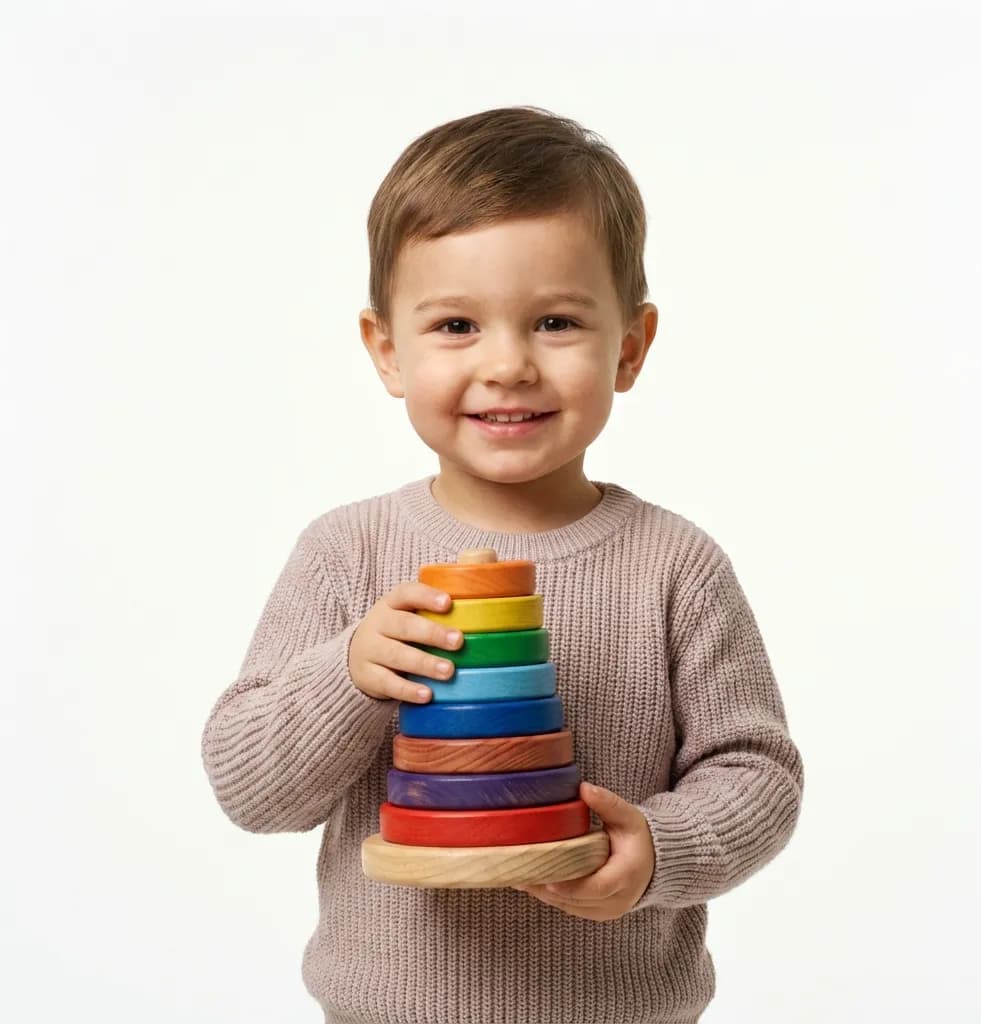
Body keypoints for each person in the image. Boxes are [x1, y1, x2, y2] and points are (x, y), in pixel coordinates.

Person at [200, 104, 804, 1024]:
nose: (509, 364)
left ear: (630, 347)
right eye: (456, 325)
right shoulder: (347, 552)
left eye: (555, 321)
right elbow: (250, 788)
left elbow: (757, 772)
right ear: (387, 351)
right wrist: (350, 675)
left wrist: (659, 849)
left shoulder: (676, 564)